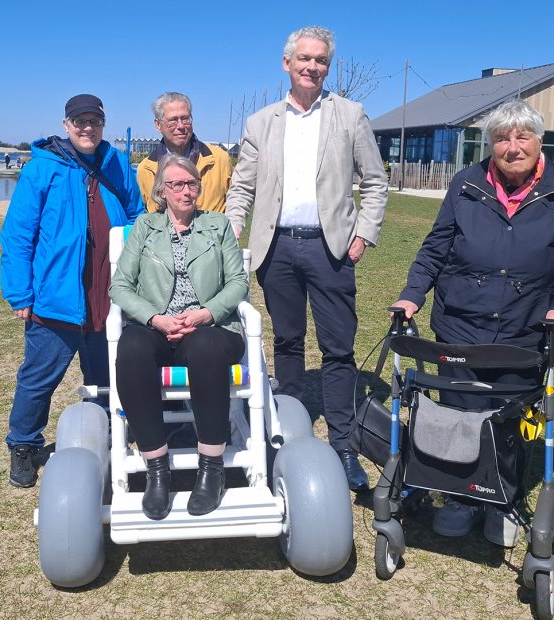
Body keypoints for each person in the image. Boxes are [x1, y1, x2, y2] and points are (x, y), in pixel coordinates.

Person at [394, 98, 554, 546]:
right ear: (490, 143)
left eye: (522, 136)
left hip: (525, 328)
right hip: (459, 324)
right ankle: (462, 497)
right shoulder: (466, 184)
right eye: (501, 138)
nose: (512, 147)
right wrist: (411, 296)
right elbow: (435, 249)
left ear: (538, 139)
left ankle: (502, 499)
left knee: (506, 416)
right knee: (459, 410)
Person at [225, 25, 388, 491]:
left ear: (326, 67)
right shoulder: (261, 123)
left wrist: (363, 235)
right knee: (288, 343)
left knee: (338, 349)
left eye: (321, 61)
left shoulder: (351, 115)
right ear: (287, 64)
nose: (312, 67)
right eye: (305, 59)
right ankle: (289, 436)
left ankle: (342, 443)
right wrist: (233, 226)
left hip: (331, 249)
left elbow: (375, 182)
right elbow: (242, 186)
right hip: (276, 250)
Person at [0, 94, 144, 488]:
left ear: (102, 125)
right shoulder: (42, 170)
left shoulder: (117, 165)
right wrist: (21, 294)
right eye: (79, 122)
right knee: (37, 379)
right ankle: (24, 445)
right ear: (66, 125)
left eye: (94, 122)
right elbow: (18, 236)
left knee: (109, 380)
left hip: (109, 298)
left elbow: (138, 216)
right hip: (56, 300)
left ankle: (106, 439)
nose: (87, 128)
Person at [110, 153, 249, 519]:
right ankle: (158, 470)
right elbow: (120, 287)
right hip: (159, 327)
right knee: (132, 347)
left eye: (191, 185)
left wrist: (206, 313)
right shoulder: (145, 227)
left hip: (213, 328)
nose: (186, 192)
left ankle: (211, 468)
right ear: (162, 192)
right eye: (176, 185)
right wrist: (155, 319)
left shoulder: (218, 226)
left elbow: (237, 283)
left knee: (204, 347)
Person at [137, 92, 233, 213]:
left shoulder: (219, 160)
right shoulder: (146, 170)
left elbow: (237, 201)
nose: (181, 126)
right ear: (158, 125)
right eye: (173, 120)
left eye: (185, 119)